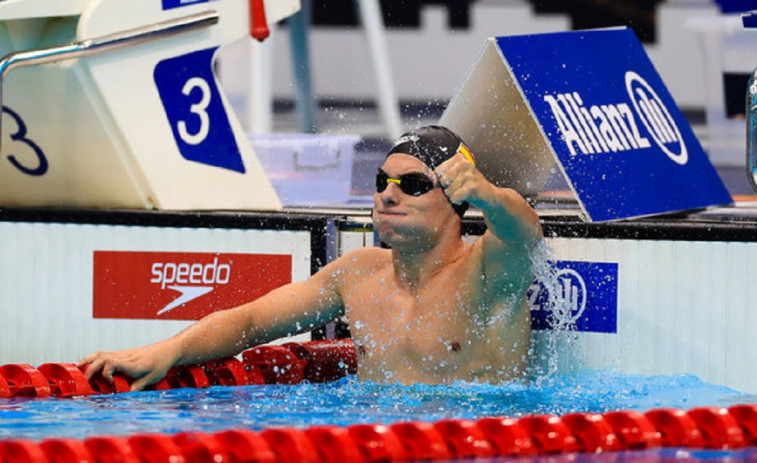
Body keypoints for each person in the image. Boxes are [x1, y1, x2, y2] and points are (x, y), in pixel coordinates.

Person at [78, 125, 542, 389]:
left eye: (414, 185)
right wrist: (169, 350)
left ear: (459, 203)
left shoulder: (487, 272)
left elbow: (525, 231)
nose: (389, 196)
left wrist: (491, 195)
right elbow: (250, 323)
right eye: (382, 182)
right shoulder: (360, 274)